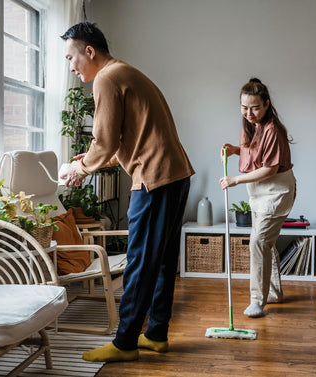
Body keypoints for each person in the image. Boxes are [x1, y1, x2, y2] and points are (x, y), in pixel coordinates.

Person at [60, 21, 194, 363]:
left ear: (89, 52)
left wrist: (80, 168)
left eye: (71, 57)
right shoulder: (125, 72)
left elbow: (103, 142)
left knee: (139, 262)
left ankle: (125, 343)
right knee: (162, 261)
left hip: (154, 179)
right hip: (173, 174)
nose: (71, 66)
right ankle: (156, 334)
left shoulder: (106, 78)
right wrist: (89, 159)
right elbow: (121, 139)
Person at [220, 78, 296, 318]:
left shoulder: (273, 129)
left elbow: (270, 169)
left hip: (276, 192)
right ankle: (272, 293)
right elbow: (255, 150)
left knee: (258, 242)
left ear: (266, 105)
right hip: (258, 193)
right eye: (244, 108)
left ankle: (257, 301)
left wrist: (235, 180)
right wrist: (235, 149)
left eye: (255, 107)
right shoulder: (249, 126)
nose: (249, 113)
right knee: (266, 244)